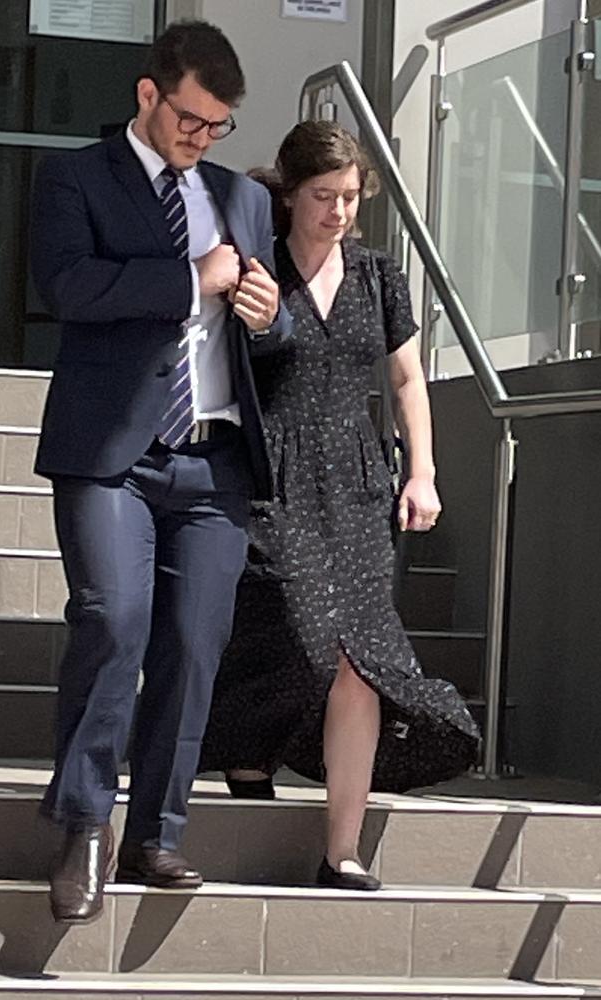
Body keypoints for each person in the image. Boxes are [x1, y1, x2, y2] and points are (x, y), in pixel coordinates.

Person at [30, 19, 290, 924]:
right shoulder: (73, 177)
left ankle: (157, 832)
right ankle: (83, 828)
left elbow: (276, 326)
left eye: (219, 126)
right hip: (113, 454)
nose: (203, 138)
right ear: (149, 94)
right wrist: (192, 278)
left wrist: (265, 314)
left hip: (212, 462)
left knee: (195, 643)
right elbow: (65, 287)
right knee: (114, 619)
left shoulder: (243, 199)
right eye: (191, 119)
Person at [200, 121, 479, 890]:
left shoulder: (380, 277)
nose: (338, 211)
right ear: (289, 194)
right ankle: (248, 743)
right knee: (297, 633)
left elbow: (405, 382)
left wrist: (421, 471)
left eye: (351, 198)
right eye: (323, 196)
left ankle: (341, 850)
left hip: (358, 482)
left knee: (360, 665)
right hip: (272, 473)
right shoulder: (256, 270)